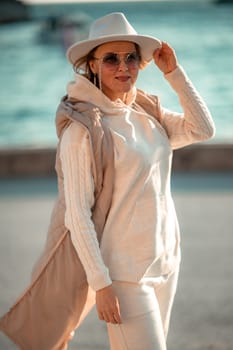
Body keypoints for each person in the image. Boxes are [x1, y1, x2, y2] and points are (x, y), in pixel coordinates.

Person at [0, 12, 215, 350]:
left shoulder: (145, 111)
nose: (123, 66)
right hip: (125, 275)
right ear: (92, 66)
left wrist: (174, 73)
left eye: (131, 57)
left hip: (166, 262)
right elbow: (77, 215)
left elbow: (202, 129)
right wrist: (101, 284)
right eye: (111, 58)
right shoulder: (81, 130)